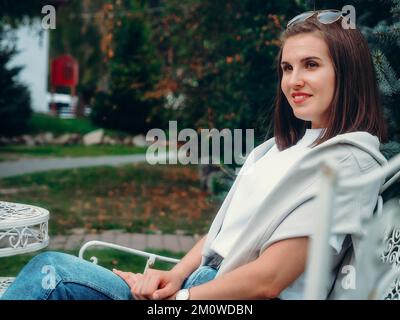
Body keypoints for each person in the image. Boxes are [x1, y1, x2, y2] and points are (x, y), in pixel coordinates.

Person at [1, 10, 388, 300]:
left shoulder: (347, 163)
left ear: (348, 73)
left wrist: (181, 299)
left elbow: (269, 278)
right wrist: (176, 275)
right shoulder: (277, 149)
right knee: (50, 276)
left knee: (53, 274)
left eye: (311, 65)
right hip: (202, 285)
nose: (293, 80)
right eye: (287, 67)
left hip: (225, 299)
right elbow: (222, 235)